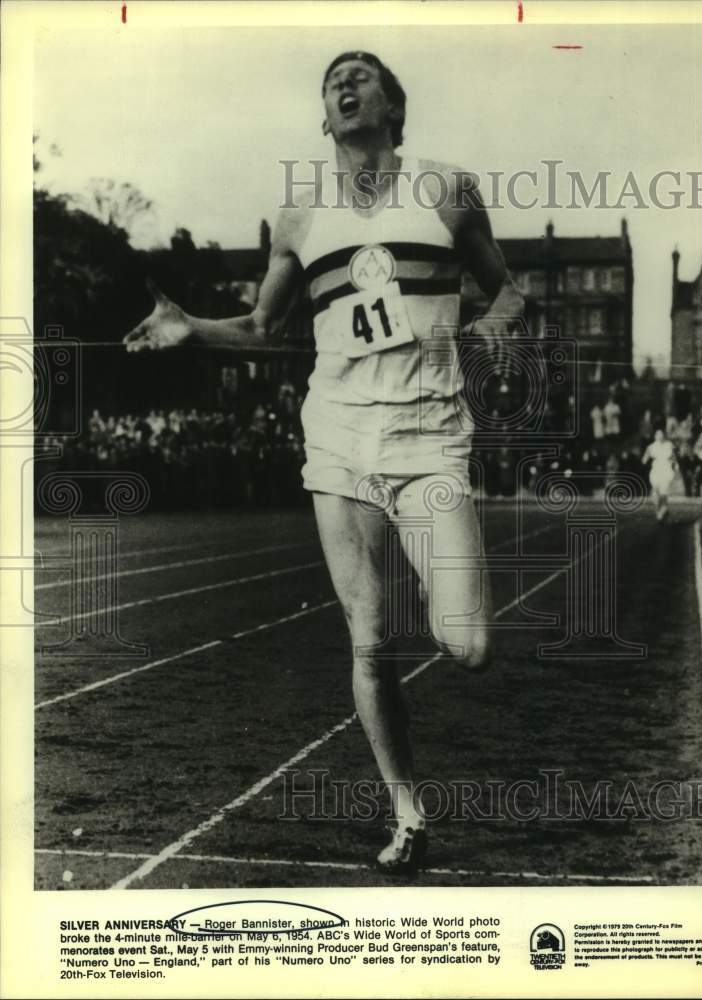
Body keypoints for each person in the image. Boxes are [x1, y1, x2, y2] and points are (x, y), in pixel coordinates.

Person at [124, 51, 525, 872]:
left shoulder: (446, 192)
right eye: (331, 82)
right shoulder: (300, 215)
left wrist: (496, 322)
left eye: (361, 76)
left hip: (429, 438)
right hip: (338, 438)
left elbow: (508, 290)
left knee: (470, 645)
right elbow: (264, 329)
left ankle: (431, 569)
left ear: (394, 107)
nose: (344, 86)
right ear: (324, 116)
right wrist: (191, 328)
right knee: (369, 640)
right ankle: (407, 813)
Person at [642, 427, 676, 521]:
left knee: (663, 493)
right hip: (656, 470)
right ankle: (658, 511)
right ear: (655, 436)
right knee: (655, 491)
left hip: (666, 469)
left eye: (661, 434)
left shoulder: (669, 445)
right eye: (657, 434)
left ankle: (663, 509)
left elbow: (674, 457)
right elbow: (644, 460)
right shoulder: (651, 446)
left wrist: (674, 464)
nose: (660, 436)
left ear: (664, 436)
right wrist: (647, 455)